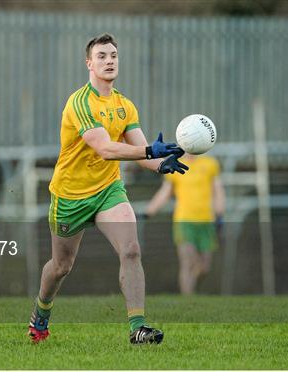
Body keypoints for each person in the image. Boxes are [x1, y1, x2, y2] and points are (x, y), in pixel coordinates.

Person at [27, 33, 189, 345]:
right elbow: (105, 148)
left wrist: (162, 164)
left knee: (131, 249)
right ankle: (42, 312)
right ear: (89, 63)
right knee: (61, 266)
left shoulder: (124, 105)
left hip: (108, 190)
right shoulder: (80, 102)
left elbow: (142, 150)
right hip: (70, 195)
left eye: (113, 55)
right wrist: (149, 154)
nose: (109, 60)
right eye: (101, 56)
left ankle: (137, 327)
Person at [144, 152, 225, 295]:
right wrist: (149, 211)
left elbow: (218, 191)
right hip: (184, 221)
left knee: (204, 267)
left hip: (206, 221)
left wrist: (219, 214)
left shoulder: (210, 163)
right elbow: (165, 192)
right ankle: (188, 301)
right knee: (188, 263)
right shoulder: (175, 166)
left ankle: (191, 290)